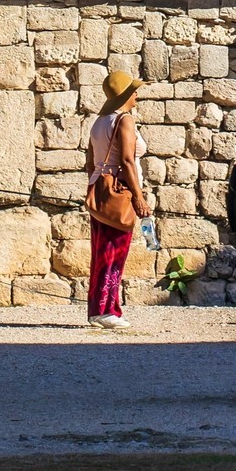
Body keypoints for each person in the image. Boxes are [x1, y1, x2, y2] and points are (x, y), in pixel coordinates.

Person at [86, 67, 150, 326]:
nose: (136, 96)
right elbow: (127, 160)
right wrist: (138, 196)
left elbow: (90, 161)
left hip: (99, 187)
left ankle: (98, 307)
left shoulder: (99, 122)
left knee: (101, 250)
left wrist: (98, 184)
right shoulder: (124, 120)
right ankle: (106, 310)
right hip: (120, 191)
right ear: (125, 94)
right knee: (114, 251)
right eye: (133, 92)